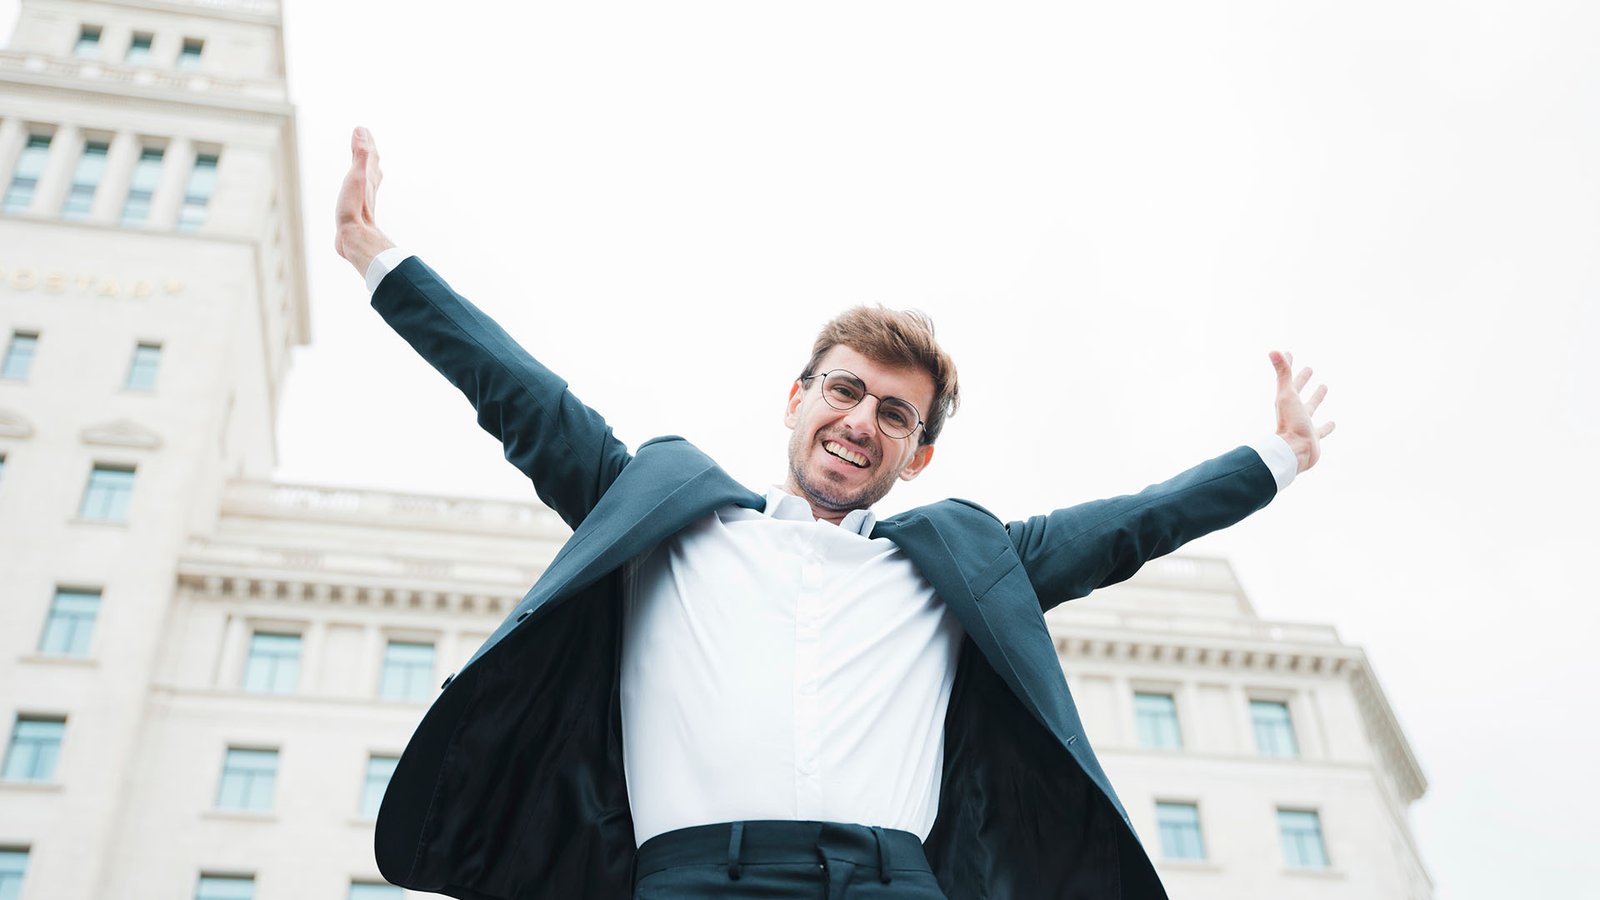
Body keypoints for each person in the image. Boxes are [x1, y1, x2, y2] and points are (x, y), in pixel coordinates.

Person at [334, 127, 1334, 900]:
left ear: (918, 453)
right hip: (688, 881)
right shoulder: (671, 517)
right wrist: (382, 263)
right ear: (796, 398)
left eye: (893, 415)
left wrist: (1277, 458)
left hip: (888, 884)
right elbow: (525, 400)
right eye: (844, 392)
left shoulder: (960, 561)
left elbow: (1129, 528)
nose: (861, 422)